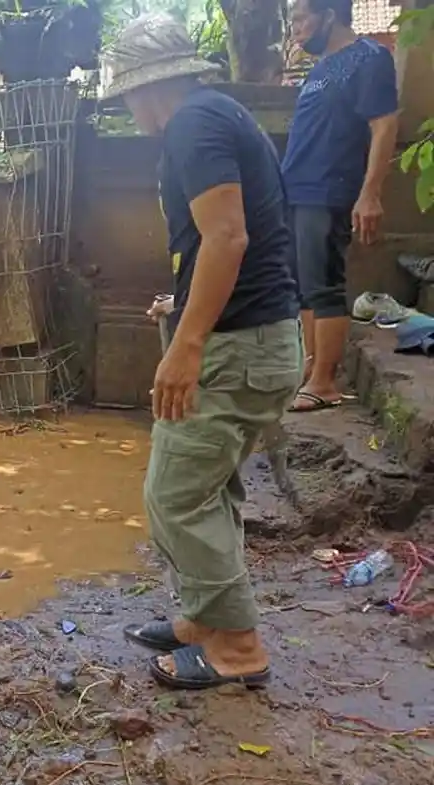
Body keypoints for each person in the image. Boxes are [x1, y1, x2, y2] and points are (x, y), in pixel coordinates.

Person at [101, 16, 303, 689]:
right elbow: (226, 240)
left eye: (126, 95)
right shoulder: (214, 117)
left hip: (237, 348)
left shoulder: (194, 124)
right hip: (255, 339)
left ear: (145, 85)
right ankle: (203, 620)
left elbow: (228, 238)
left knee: (177, 494)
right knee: (206, 488)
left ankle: (238, 647)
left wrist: (186, 346)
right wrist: (184, 305)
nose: (127, 109)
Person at [281, 0, 399, 412]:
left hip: (330, 185)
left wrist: (370, 193)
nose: (295, 28)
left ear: (329, 15)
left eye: (301, 18)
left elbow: (384, 125)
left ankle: (325, 382)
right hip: (297, 188)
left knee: (324, 282)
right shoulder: (320, 68)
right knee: (303, 286)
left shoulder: (369, 57)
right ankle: (310, 368)